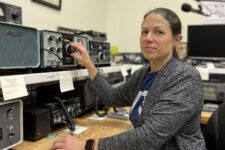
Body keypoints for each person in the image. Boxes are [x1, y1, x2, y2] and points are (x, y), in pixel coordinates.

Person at [50, 8, 206, 150]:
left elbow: (150, 137)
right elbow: (112, 97)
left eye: (158, 32)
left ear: (176, 40)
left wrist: (88, 145)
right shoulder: (143, 73)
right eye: (144, 32)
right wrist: (89, 65)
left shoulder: (185, 78)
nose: (148, 38)